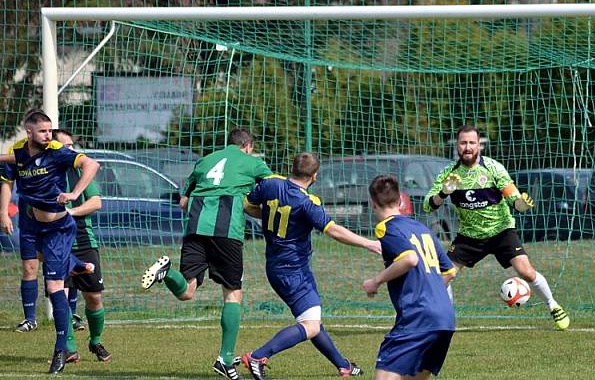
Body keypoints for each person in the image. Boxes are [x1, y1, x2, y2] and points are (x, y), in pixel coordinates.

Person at [140, 128, 272, 380]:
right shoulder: (252, 162)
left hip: (195, 226)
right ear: (248, 146)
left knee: (187, 291)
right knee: (233, 293)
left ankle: (167, 273)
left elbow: (183, 201)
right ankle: (224, 358)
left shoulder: (204, 161)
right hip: (226, 231)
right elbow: (271, 189)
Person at [239, 152, 381, 380]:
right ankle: (258, 356)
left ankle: (343, 365)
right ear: (314, 176)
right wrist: (369, 243)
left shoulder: (270, 184)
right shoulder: (307, 203)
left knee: (312, 319)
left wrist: (268, 215)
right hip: (293, 270)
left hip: (276, 266)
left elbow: (248, 205)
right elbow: (333, 230)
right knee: (310, 324)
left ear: (292, 168)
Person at [423, 124, 570, 330]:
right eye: (463, 143)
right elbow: (428, 206)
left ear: (479, 146)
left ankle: (553, 305)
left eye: (472, 143)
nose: (467, 147)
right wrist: (444, 193)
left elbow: (515, 199)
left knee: (526, 272)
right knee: (444, 276)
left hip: (501, 231)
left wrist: (522, 204)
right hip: (470, 236)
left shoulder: (493, 168)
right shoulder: (449, 174)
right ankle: (446, 320)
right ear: (457, 146)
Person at [0, 110, 100, 374]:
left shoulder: (57, 151)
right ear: (28, 131)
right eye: (43, 131)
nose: (48, 135)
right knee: (32, 265)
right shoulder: (20, 151)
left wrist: (74, 192)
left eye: (49, 130)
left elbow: (92, 165)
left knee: (54, 286)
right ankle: (75, 263)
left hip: (57, 228)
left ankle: (60, 349)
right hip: (32, 225)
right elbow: (9, 161)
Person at [362, 175, 456, 380]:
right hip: (445, 317)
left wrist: (375, 281)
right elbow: (449, 271)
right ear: (399, 201)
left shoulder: (386, 227)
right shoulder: (422, 228)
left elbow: (410, 259)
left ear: (373, 204)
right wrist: (432, 296)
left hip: (418, 317)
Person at [53, 129, 112, 362]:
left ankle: (95, 341)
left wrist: (70, 212)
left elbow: (96, 202)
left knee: (94, 297)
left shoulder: (79, 170)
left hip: (84, 241)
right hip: (56, 243)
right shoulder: (43, 174)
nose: (70, 150)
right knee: (61, 294)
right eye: (65, 146)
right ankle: (68, 347)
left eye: (71, 146)